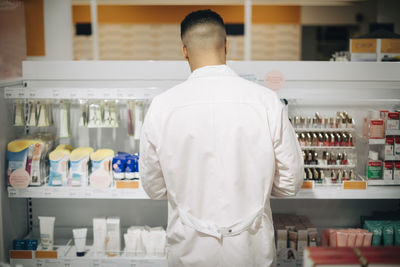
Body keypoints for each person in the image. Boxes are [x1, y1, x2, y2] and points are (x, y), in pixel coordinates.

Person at [139, 9, 303, 267]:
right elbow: (290, 183)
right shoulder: (266, 101)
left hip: (188, 251)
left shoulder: (162, 107)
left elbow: (154, 188)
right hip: (251, 252)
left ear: (184, 51)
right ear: (226, 46)